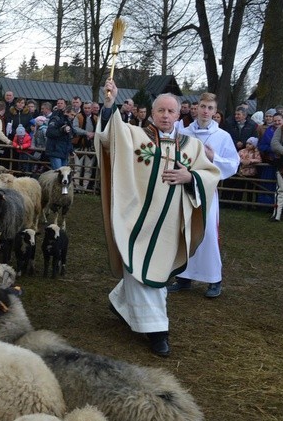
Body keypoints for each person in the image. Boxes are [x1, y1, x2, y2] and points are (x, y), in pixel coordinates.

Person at [96, 79, 220, 357]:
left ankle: (120, 302)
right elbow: (108, 138)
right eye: (160, 111)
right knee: (141, 270)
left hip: (169, 226)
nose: (165, 116)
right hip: (137, 220)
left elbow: (210, 175)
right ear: (152, 113)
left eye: (171, 112)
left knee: (155, 271)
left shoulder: (192, 147)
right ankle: (157, 331)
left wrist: (190, 177)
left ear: (179, 115)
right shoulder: (134, 137)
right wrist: (109, 104)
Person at [168, 93, 240, 299]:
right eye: (202, 106)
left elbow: (233, 164)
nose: (205, 111)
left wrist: (213, 157)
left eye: (210, 108)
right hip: (183, 188)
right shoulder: (183, 131)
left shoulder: (222, 136)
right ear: (196, 108)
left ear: (215, 112)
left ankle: (214, 279)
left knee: (207, 234)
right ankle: (183, 277)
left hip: (206, 190)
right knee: (184, 231)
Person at [45, 101, 84, 169]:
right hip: (55, 150)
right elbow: (49, 133)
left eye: (74, 115)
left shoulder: (69, 123)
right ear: (66, 112)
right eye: (72, 115)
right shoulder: (56, 119)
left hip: (63, 152)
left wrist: (71, 150)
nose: (73, 117)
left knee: (63, 174)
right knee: (58, 173)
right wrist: (62, 130)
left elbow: (68, 139)